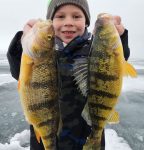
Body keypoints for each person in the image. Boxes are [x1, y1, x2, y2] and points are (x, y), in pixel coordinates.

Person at [7, 0, 130, 149]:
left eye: (76, 16)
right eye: (60, 16)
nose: (69, 22)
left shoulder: (92, 53)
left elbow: (113, 64)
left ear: (86, 22)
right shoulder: (42, 55)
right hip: (45, 141)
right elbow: (18, 70)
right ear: (51, 22)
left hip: (85, 139)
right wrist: (22, 41)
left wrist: (120, 37)